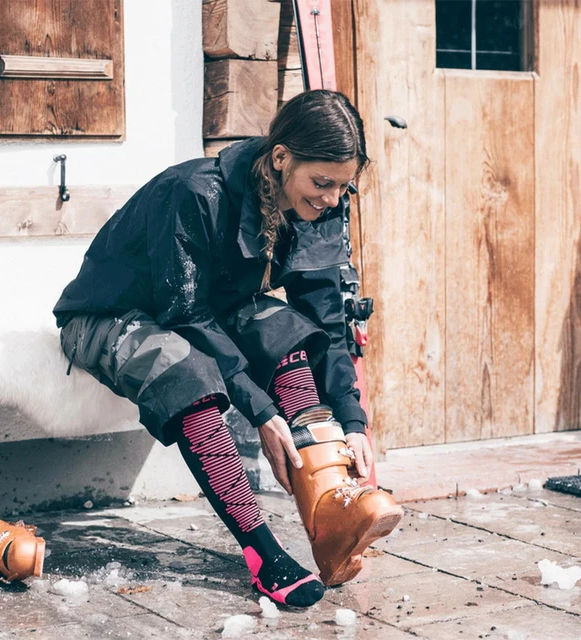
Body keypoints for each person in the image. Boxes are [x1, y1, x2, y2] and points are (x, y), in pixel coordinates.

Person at [53, 89, 402, 608]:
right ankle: (263, 554)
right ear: (281, 158)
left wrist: (352, 422)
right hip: (106, 317)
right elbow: (184, 315)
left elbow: (327, 320)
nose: (331, 198)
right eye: (322, 183)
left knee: (288, 328)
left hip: (202, 310)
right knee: (187, 371)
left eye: (342, 186)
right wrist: (260, 411)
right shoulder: (196, 193)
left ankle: (329, 513)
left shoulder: (323, 206)